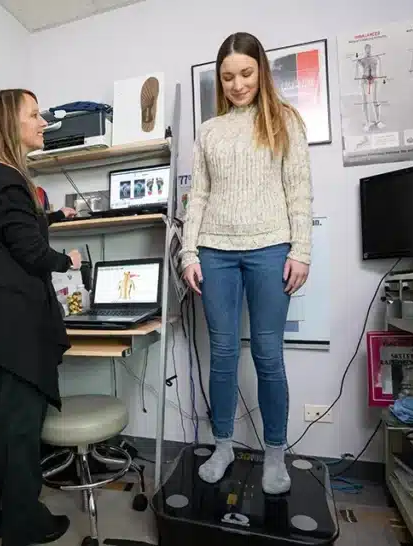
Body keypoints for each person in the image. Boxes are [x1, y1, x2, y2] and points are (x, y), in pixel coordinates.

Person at [180, 32, 313, 495]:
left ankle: (275, 453)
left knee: (267, 354)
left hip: (270, 248)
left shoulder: (285, 120)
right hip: (215, 252)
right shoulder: (210, 131)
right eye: (228, 77)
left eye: (246, 74)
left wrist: (301, 251)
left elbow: (298, 191)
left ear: (261, 70)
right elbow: (198, 196)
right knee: (220, 354)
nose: (237, 85)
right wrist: (188, 252)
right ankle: (222, 446)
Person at [0, 88, 81, 546]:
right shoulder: (8, 180)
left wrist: (51, 216)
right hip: (13, 321)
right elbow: (30, 251)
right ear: (9, 123)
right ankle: (23, 522)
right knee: (20, 424)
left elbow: (7, 233)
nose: (43, 122)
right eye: (34, 115)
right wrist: (70, 261)